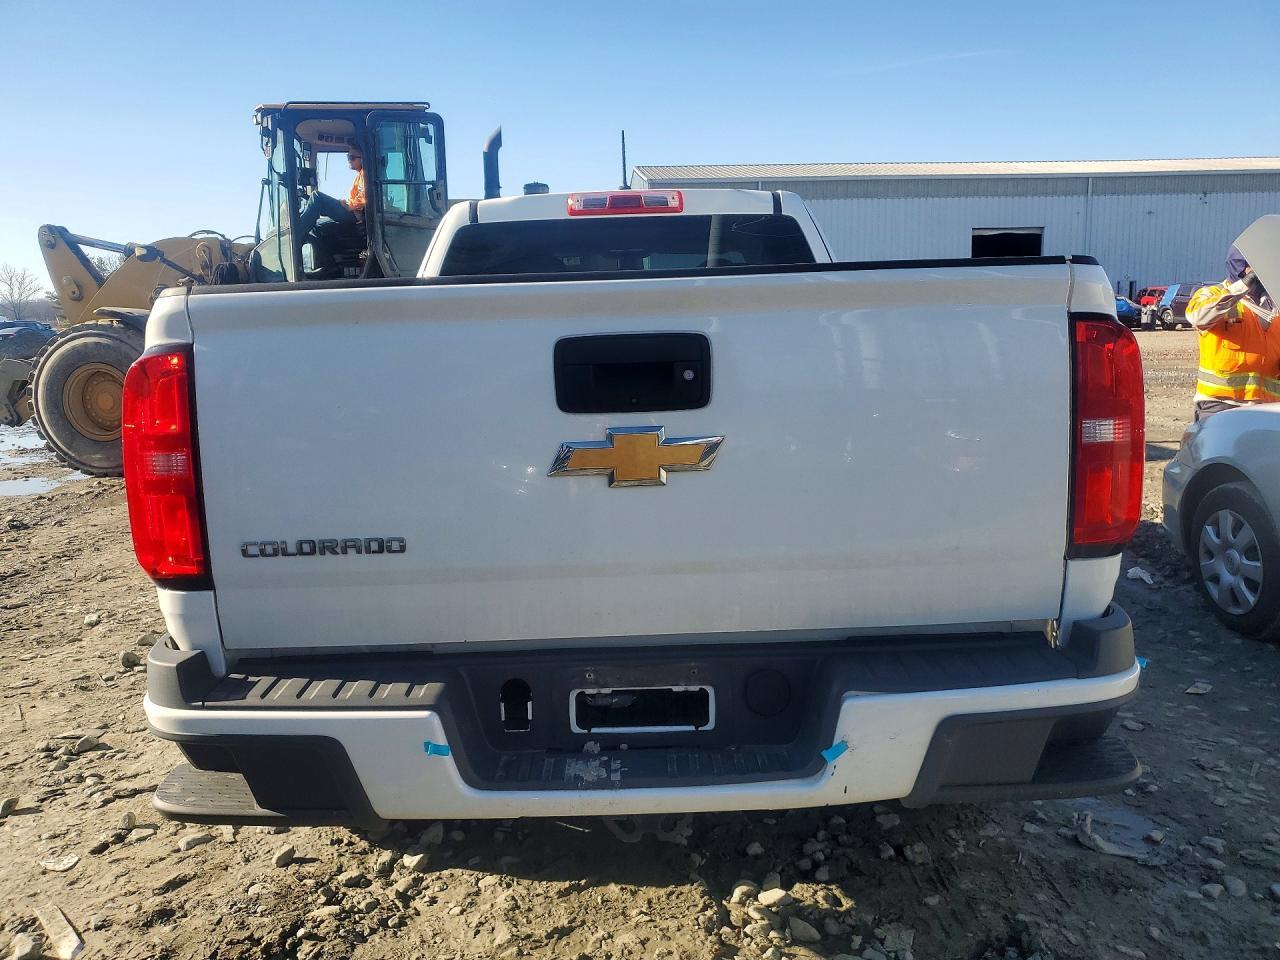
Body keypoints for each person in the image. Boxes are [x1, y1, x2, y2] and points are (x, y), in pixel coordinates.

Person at [1186, 246, 1280, 423]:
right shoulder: (1212, 294)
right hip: (1221, 406)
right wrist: (1244, 285)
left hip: (1267, 408)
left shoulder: (1274, 304)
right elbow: (1197, 316)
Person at [295, 146, 366, 238]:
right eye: (348, 157)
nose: (349, 160)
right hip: (352, 211)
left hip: (354, 214)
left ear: (362, 159)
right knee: (316, 224)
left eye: (351, 158)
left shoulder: (365, 174)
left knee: (317, 197)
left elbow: (365, 198)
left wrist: (348, 206)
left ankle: (296, 234)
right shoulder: (359, 175)